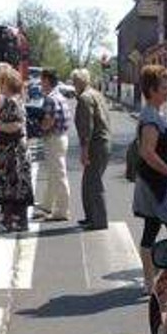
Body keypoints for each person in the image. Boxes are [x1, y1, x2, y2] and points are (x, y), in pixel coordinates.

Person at [133, 65, 167, 293]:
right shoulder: (151, 117)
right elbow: (147, 152)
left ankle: (150, 280)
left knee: (152, 228)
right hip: (157, 183)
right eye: (164, 87)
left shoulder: (156, 112)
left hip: (154, 181)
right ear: (152, 90)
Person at [0, 68, 34, 233]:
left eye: (2, 82)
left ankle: (10, 222)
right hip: (9, 148)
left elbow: (16, 125)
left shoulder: (13, 102)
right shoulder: (11, 100)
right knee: (13, 186)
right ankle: (17, 221)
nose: (0, 85)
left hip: (14, 150)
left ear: (9, 84)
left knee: (12, 185)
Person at [71, 68, 111, 230]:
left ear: (79, 82)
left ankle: (99, 220)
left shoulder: (85, 98)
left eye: (74, 82)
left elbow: (86, 127)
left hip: (95, 144)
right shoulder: (96, 94)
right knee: (89, 182)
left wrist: (84, 150)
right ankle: (91, 217)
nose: (73, 85)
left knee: (93, 183)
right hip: (103, 142)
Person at [36, 70, 71, 222]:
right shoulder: (60, 96)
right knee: (53, 173)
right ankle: (47, 205)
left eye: (42, 81)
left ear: (48, 81)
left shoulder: (50, 99)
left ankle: (62, 210)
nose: (40, 84)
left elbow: (49, 121)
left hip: (54, 138)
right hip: (61, 137)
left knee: (58, 174)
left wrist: (39, 128)